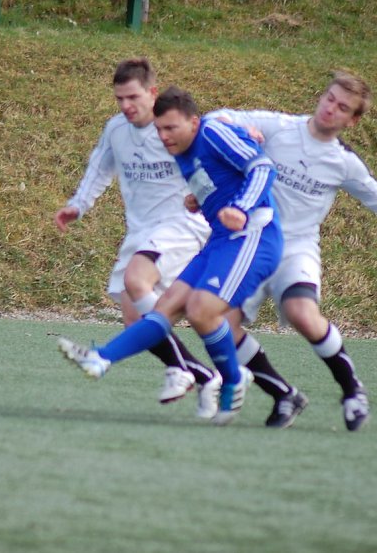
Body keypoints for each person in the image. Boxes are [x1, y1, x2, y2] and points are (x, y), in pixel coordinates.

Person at [204, 70, 377, 431]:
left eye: (342, 107)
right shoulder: (279, 127)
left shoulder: (344, 162)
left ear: (353, 120)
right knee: (218, 323)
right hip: (249, 244)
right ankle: (284, 394)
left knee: (303, 314)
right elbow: (216, 118)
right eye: (329, 98)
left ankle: (352, 391)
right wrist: (239, 131)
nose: (331, 108)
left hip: (295, 249)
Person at [58, 86, 283, 425]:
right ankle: (100, 360)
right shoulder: (182, 149)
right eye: (160, 129)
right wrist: (200, 199)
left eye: (171, 128)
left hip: (254, 235)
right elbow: (215, 179)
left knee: (201, 310)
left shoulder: (212, 130)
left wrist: (240, 205)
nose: (163, 136)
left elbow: (262, 167)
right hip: (221, 240)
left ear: (193, 121)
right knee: (163, 311)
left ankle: (232, 379)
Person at [54, 58, 220, 417]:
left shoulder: (174, 130)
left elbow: (213, 159)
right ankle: (204, 374)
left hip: (182, 223)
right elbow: (99, 169)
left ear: (152, 93)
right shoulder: (116, 130)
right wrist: (77, 206)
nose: (126, 106)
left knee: (136, 280)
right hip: (142, 231)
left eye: (133, 97)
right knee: (135, 320)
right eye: (119, 99)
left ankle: (176, 369)